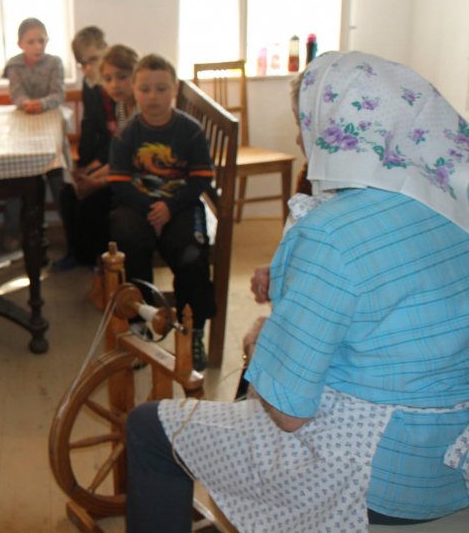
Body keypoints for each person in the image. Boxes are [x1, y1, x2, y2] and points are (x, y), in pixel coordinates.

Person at [126, 51, 469, 532]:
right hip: (449, 464)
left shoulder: (330, 232)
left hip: (372, 475)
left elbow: (289, 412)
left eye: (303, 124)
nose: (297, 138)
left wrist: (260, 341)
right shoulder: (451, 209)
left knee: (146, 428)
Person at [106, 51, 215, 370]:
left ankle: (193, 330)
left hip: (181, 204)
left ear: (175, 90)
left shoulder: (190, 130)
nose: (153, 96)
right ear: (135, 91)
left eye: (161, 88)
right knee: (128, 243)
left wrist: (169, 207)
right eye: (145, 89)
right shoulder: (126, 133)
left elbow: (201, 178)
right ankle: (140, 324)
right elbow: (118, 182)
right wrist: (150, 209)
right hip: (137, 205)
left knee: (192, 254)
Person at [1, 17, 66, 250]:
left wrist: (41, 104)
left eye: (41, 40)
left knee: (59, 181)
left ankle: (72, 233)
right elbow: (16, 94)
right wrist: (26, 103)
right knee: (16, 180)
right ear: (20, 44)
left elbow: (58, 94)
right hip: (23, 129)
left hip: (50, 128)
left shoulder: (55, 62)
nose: (38, 46)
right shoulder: (14, 65)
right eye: (31, 42)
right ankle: (12, 233)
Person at [54, 26, 114, 271]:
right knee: (68, 191)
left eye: (93, 60)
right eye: (82, 63)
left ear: (105, 52)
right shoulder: (90, 85)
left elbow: (119, 137)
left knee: (93, 196)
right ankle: (76, 252)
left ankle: (97, 256)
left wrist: (95, 167)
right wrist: (83, 165)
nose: (88, 68)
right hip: (101, 155)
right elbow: (90, 126)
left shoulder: (115, 85)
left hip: (117, 160)